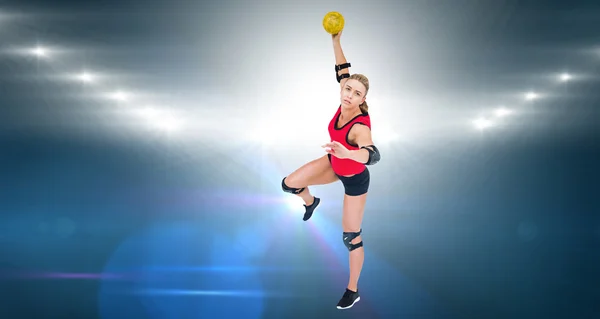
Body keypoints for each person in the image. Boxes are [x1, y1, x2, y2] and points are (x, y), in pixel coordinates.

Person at [280, 29, 381, 310]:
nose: (349, 94)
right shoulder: (344, 96)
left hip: (354, 178)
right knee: (289, 184)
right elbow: (342, 69)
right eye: (347, 88)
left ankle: (353, 289)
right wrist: (335, 40)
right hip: (332, 164)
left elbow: (373, 154)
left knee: (351, 236)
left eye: (356, 93)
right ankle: (311, 202)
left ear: (363, 100)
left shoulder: (360, 126)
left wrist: (349, 152)